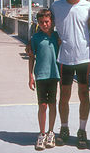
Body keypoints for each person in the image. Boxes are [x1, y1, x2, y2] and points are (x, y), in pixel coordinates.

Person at [50, 0, 90, 149]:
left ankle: (82, 130)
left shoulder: (89, 7)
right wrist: (32, 43)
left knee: (84, 95)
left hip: (84, 58)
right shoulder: (56, 6)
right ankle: (64, 128)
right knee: (64, 96)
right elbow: (46, 28)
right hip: (65, 58)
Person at [28, 9, 60, 151]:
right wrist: (30, 76)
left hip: (54, 75)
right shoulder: (35, 38)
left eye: (47, 22)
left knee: (52, 104)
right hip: (40, 76)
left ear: (51, 22)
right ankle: (42, 133)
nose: (44, 25)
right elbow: (31, 57)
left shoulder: (57, 37)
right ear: (38, 23)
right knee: (43, 105)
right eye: (41, 22)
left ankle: (51, 132)